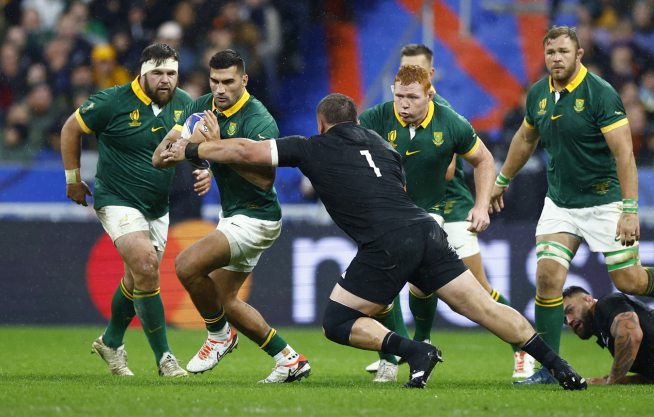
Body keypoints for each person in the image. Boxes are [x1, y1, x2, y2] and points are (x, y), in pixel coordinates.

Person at [160, 93, 588, 391]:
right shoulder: (385, 148)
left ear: (322, 123)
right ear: (356, 121)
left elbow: (244, 152)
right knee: (483, 308)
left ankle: (415, 351)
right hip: (426, 229)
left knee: (337, 322)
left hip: (386, 242)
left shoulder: (312, 145)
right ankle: (560, 366)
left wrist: (196, 150)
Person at [490, 26, 654, 385]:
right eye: (551, 53)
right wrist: (500, 180)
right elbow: (524, 138)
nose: (556, 59)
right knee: (547, 279)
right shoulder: (538, 94)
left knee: (630, 281)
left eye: (564, 52)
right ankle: (551, 370)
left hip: (604, 202)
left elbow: (624, 152)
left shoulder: (600, 94)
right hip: (560, 204)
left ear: (578, 55)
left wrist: (629, 209)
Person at [361, 45, 534, 381]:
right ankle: (405, 349)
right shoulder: (387, 114)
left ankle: (522, 348)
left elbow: (450, 171)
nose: (407, 86)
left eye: (416, 71)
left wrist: (481, 203)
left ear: (431, 79)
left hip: (451, 207)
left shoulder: (445, 117)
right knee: (395, 278)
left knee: (477, 291)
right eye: (403, 72)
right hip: (415, 211)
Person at [152, 49, 309, 383]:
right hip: (233, 214)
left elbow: (265, 180)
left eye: (228, 82)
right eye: (214, 81)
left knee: (185, 264)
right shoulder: (201, 106)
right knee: (225, 299)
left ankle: (219, 335)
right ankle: (288, 359)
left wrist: (216, 150)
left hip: (258, 217)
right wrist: (192, 157)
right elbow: (161, 156)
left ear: (244, 80)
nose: (220, 89)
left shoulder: (259, 120)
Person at [61, 44, 212, 377]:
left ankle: (111, 342)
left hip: (157, 205)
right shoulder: (112, 101)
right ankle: (165, 359)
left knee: (138, 276)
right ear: (142, 73)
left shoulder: (185, 103)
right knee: (146, 263)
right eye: (157, 72)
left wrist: (204, 166)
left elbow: (193, 145)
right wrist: (73, 179)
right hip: (116, 197)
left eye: (171, 73)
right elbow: (71, 128)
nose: (165, 80)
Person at [563, 286, 653, 384]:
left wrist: (611, 382)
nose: (569, 321)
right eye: (564, 320)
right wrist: (624, 380)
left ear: (588, 299)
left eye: (570, 310)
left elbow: (631, 335)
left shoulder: (606, 303)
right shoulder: (604, 329)